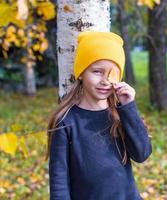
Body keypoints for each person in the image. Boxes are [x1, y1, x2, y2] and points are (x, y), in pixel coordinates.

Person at [45, 31, 152, 200]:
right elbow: (59, 180)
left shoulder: (120, 113)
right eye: (97, 71)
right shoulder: (66, 120)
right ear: (81, 73)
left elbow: (142, 153)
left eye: (112, 74)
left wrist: (129, 108)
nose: (105, 81)